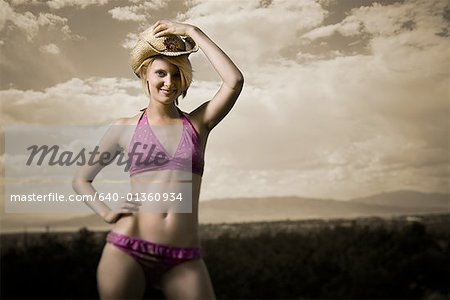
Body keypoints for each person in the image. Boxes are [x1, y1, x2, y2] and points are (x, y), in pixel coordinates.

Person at [72, 20, 243, 299]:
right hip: (128, 250)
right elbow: (81, 179)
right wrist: (106, 213)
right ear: (145, 75)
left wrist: (193, 32)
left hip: (184, 258)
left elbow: (234, 81)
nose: (169, 82)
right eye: (161, 73)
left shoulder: (198, 125)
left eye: (177, 75)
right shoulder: (125, 127)